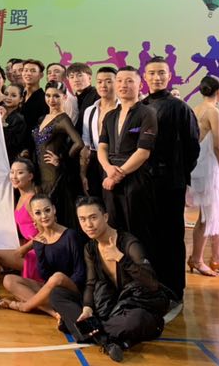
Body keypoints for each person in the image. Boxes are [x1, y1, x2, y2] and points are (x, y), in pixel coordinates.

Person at [51, 196, 167, 363]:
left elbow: (152, 283)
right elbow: (91, 283)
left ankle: (85, 331)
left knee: (135, 320)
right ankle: (107, 340)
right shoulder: (90, 247)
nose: (88, 224)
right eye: (82, 219)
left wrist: (120, 257)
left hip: (138, 305)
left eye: (93, 217)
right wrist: (87, 308)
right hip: (109, 306)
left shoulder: (129, 243)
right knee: (57, 294)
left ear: (105, 217)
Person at [142, 56, 200, 308]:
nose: (157, 77)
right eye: (152, 73)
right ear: (145, 77)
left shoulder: (179, 108)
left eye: (161, 73)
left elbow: (192, 147)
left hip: (170, 183)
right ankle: (150, 285)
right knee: (148, 235)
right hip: (143, 183)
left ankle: (174, 288)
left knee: (172, 236)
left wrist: (179, 175)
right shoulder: (140, 106)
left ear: (169, 75)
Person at [98, 67, 157, 260]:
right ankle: (117, 270)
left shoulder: (147, 113)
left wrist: (118, 174)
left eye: (130, 81)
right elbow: (102, 147)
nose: (124, 85)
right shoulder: (110, 115)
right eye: (120, 80)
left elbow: (143, 152)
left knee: (136, 230)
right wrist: (108, 169)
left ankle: (140, 272)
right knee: (113, 227)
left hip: (135, 179)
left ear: (140, 85)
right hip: (109, 177)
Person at [0, 194, 85, 317]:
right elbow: (44, 275)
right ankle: (52, 311)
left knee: (57, 277)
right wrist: (39, 248)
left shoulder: (70, 235)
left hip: (71, 289)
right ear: (33, 216)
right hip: (50, 288)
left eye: (47, 210)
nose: (44, 216)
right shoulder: (39, 241)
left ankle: (23, 306)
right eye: (38, 213)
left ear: (54, 209)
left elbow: (80, 273)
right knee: (8, 280)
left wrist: (58, 289)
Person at [0, 159, 41, 308]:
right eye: (12, 172)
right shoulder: (20, 197)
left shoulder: (32, 200)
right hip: (29, 248)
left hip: (37, 253)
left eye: (20, 173)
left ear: (30, 176)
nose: (14, 176)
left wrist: (24, 248)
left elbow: (45, 232)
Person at [188, 75, 219, 276]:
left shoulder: (196, 108)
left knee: (216, 212)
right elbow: (218, 145)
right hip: (208, 166)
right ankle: (197, 258)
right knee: (207, 216)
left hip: (199, 163)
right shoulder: (213, 111)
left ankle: (216, 258)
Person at [31, 82, 84, 228]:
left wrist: (61, 158)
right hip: (40, 171)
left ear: (64, 97)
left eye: (56, 96)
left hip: (54, 172)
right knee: (44, 209)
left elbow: (79, 143)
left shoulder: (63, 119)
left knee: (56, 209)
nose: (51, 100)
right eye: (48, 95)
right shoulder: (43, 118)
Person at [80, 67, 119, 198]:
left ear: (117, 83)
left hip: (116, 161)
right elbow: (86, 145)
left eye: (108, 81)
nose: (103, 85)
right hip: (94, 163)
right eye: (100, 81)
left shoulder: (123, 109)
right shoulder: (90, 110)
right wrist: (83, 173)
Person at [0, 84, 28, 162]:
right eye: (6, 94)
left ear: (21, 99)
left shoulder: (19, 119)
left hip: (8, 159)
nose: (8, 98)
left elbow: (11, 144)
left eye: (13, 95)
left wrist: (2, 122)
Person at [67, 63, 99, 132]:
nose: (76, 80)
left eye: (79, 75)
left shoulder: (98, 95)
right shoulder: (72, 100)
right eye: (72, 77)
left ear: (89, 78)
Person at [21, 59, 49, 130]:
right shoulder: (21, 95)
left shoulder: (44, 99)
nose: (28, 73)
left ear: (41, 75)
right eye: (25, 70)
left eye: (33, 71)